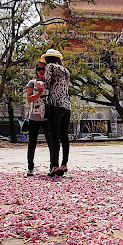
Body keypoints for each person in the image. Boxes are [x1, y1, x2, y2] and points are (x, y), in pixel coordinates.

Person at [42, 49, 71, 177]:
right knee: (64, 136)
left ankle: (55, 166)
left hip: (55, 103)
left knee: (54, 136)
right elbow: (66, 87)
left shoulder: (50, 67)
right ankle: (64, 164)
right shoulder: (65, 70)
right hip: (66, 105)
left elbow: (47, 83)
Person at [25, 60, 50, 176]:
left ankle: (53, 166)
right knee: (32, 143)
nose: (41, 71)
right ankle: (30, 167)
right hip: (34, 118)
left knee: (51, 143)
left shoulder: (50, 83)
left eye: (43, 69)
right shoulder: (32, 83)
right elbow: (29, 99)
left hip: (47, 118)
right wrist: (39, 93)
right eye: (39, 69)